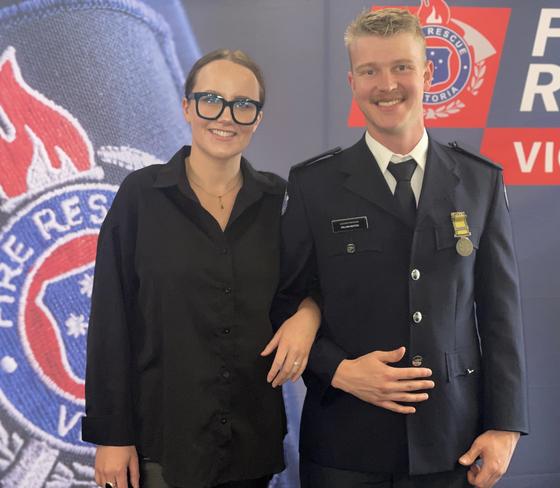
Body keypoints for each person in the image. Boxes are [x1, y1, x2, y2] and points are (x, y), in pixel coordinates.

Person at [272, 8, 528, 488]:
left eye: (401, 67)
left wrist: (506, 425)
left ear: (428, 73)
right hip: (344, 442)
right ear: (352, 81)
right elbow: (285, 302)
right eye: (370, 70)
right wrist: (341, 370)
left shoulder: (479, 181)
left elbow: (500, 312)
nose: (386, 84)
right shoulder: (315, 185)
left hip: (453, 442)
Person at [82, 49, 320, 488]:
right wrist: (111, 437)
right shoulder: (140, 197)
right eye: (211, 99)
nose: (226, 116)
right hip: (163, 445)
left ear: (257, 118)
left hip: (251, 441)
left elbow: (313, 282)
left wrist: (309, 315)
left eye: (243, 104)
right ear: (187, 106)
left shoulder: (279, 202)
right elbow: (110, 322)